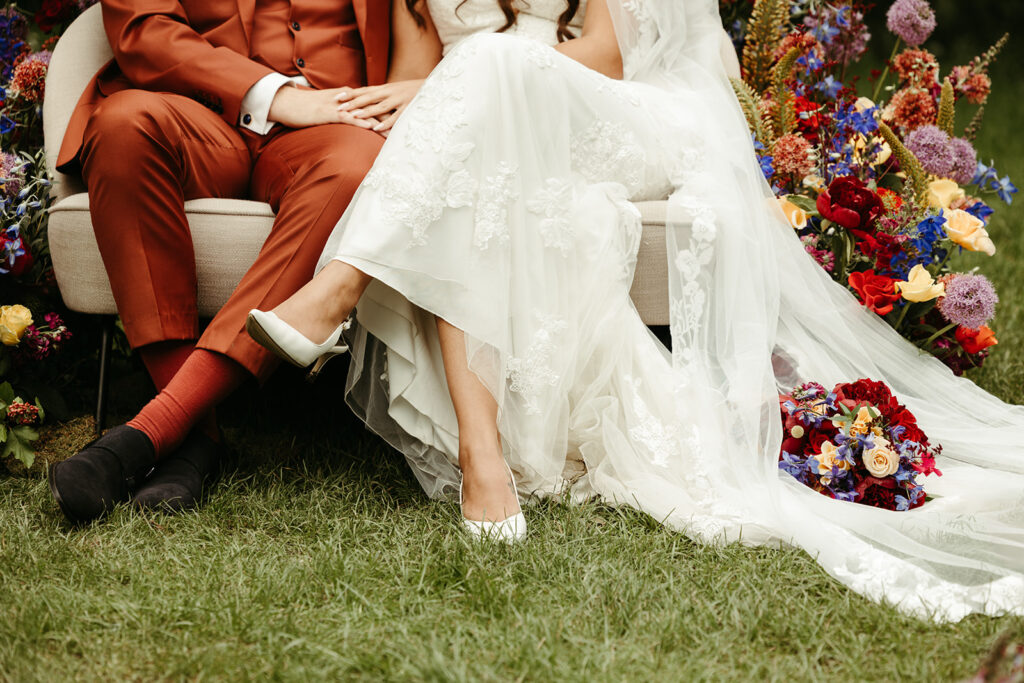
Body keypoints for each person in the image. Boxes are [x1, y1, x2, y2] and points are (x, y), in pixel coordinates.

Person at [265, 0, 1022, 620]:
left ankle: (338, 290)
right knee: (474, 168)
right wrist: (434, 93)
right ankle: (480, 454)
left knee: (486, 66)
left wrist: (462, 81)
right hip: (481, 118)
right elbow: (411, 74)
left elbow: (608, 54)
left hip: (622, 113)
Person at [46, 0, 412, 520]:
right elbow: (143, 27)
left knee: (356, 168)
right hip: (195, 114)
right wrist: (277, 95)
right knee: (123, 125)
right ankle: (198, 430)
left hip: (336, 125)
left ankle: (157, 430)